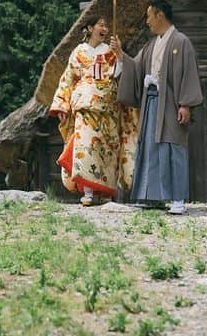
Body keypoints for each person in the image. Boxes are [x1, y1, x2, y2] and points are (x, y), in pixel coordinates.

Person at [112, 0, 203, 215]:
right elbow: (135, 67)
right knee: (150, 146)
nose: (147, 21)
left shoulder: (181, 42)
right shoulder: (152, 44)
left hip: (170, 103)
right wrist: (120, 54)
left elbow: (189, 73)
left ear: (160, 15)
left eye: (149, 16)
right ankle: (151, 197)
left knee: (172, 146)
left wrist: (185, 104)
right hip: (151, 101)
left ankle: (178, 198)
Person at [49, 16, 139, 206]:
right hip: (85, 105)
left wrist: (119, 54)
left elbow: (118, 74)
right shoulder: (78, 52)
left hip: (109, 106)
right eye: (100, 24)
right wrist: (62, 104)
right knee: (87, 147)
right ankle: (88, 191)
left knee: (108, 148)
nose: (104, 28)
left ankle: (106, 193)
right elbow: (68, 79)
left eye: (106, 25)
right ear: (90, 28)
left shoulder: (110, 51)